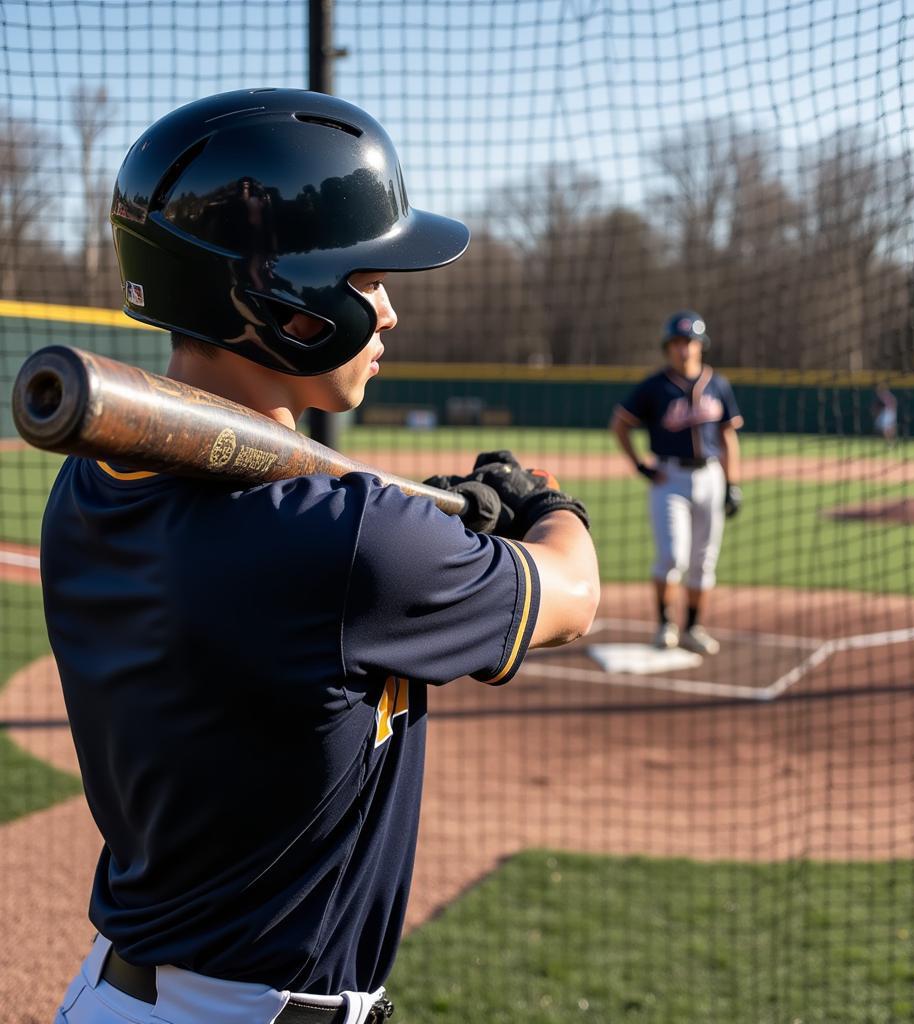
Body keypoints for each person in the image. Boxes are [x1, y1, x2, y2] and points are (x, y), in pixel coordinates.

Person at [43, 89, 599, 1024]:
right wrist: (545, 501)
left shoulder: (92, 487)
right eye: (369, 279)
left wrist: (407, 520)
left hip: (117, 994)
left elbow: (287, 534)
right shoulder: (354, 541)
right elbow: (577, 594)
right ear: (282, 298)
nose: (388, 314)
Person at [609, 311, 742, 655]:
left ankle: (693, 627)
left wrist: (733, 483)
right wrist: (640, 465)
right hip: (669, 478)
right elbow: (620, 424)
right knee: (671, 557)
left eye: (690, 342)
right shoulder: (655, 386)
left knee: (703, 561)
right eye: (677, 343)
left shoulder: (719, 384)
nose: (684, 350)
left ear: (701, 346)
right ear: (668, 348)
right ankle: (665, 624)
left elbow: (728, 439)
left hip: (711, 476)